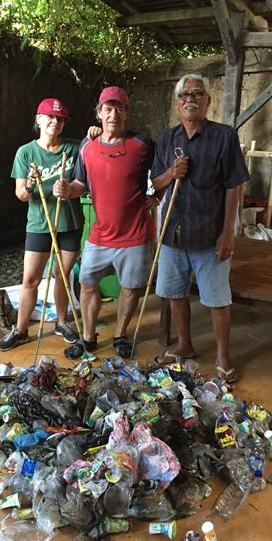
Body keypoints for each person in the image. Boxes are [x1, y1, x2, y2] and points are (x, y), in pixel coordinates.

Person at [151, 73, 249, 384]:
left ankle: (222, 354)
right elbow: (155, 183)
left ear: (208, 100)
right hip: (173, 233)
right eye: (184, 95)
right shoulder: (167, 139)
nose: (190, 98)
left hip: (210, 234)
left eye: (197, 93)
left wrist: (228, 232)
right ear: (177, 102)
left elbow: (234, 186)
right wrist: (171, 172)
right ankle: (185, 345)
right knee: (175, 294)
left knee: (217, 299)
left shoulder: (224, 136)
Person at [53, 86, 156, 359]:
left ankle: (121, 334)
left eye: (119, 108)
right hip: (100, 235)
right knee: (87, 283)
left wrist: (157, 196)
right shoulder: (87, 146)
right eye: (108, 109)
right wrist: (67, 190)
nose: (114, 114)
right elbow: (79, 184)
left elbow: (161, 176)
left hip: (134, 234)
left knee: (131, 287)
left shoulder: (142, 144)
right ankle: (87, 338)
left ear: (127, 113)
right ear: (99, 114)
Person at [0, 98, 83, 351]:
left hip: (69, 222)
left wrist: (95, 131)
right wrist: (32, 185)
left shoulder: (75, 148)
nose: (54, 122)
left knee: (62, 276)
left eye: (60, 119)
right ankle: (21, 330)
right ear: (39, 119)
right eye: (50, 117)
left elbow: (85, 179)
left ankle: (62, 322)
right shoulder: (26, 152)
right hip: (38, 224)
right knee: (30, 279)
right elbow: (21, 194)